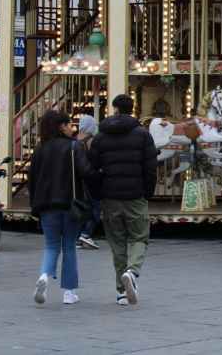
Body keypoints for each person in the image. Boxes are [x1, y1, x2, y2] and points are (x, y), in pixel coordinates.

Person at [89, 94, 157, 306]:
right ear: (132, 108)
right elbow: (150, 167)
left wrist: (98, 192)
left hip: (110, 195)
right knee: (139, 237)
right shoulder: (142, 135)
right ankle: (132, 271)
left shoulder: (101, 136)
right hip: (135, 194)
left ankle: (121, 292)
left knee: (117, 243)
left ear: (115, 109)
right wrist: (148, 192)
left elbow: (92, 168)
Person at [28, 110, 94, 306]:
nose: (71, 128)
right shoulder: (74, 147)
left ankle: (44, 276)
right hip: (70, 203)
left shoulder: (40, 149)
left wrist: (35, 204)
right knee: (69, 247)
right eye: (68, 124)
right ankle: (69, 292)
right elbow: (85, 171)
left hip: (47, 204)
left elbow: (32, 179)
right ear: (61, 126)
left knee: (51, 246)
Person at [75, 115, 102, 250]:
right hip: (91, 180)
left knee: (82, 210)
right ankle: (86, 234)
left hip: (79, 182)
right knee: (95, 208)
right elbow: (95, 160)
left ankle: (78, 237)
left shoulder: (75, 141)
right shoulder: (91, 141)